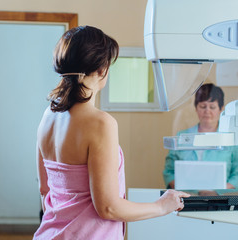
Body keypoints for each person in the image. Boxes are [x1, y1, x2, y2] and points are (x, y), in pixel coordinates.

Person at [33, 26, 190, 240]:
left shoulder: (48, 115)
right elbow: (108, 208)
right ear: (101, 70)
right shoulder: (101, 124)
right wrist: (162, 206)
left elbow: (45, 190)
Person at [163, 83, 238, 190]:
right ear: (196, 108)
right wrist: (186, 190)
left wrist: (217, 191)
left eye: (212, 107)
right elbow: (169, 172)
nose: (207, 111)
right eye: (203, 106)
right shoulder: (181, 137)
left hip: (219, 199)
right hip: (186, 197)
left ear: (221, 109)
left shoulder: (231, 139)